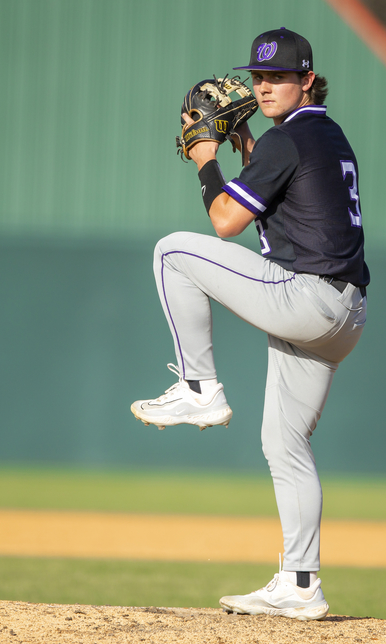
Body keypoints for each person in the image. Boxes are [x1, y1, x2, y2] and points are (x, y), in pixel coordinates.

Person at [130, 27, 369, 621]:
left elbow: (226, 220)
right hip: (345, 313)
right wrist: (244, 146)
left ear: (306, 80)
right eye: (258, 77)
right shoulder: (324, 133)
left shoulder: (286, 139)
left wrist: (206, 158)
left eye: (278, 77)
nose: (263, 87)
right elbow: (281, 199)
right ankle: (301, 584)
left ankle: (199, 388)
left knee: (172, 252)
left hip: (308, 297)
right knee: (284, 444)